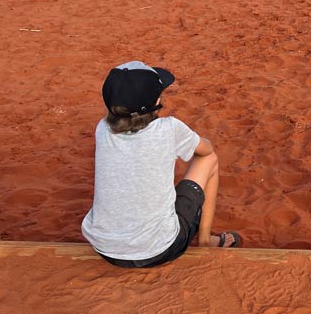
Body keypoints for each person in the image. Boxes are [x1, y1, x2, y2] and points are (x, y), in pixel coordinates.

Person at [82, 61, 241, 268]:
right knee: (210, 160)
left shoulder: (102, 129)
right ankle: (205, 240)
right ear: (156, 100)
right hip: (159, 250)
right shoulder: (169, 128)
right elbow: (206, 150)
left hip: (105, 248)